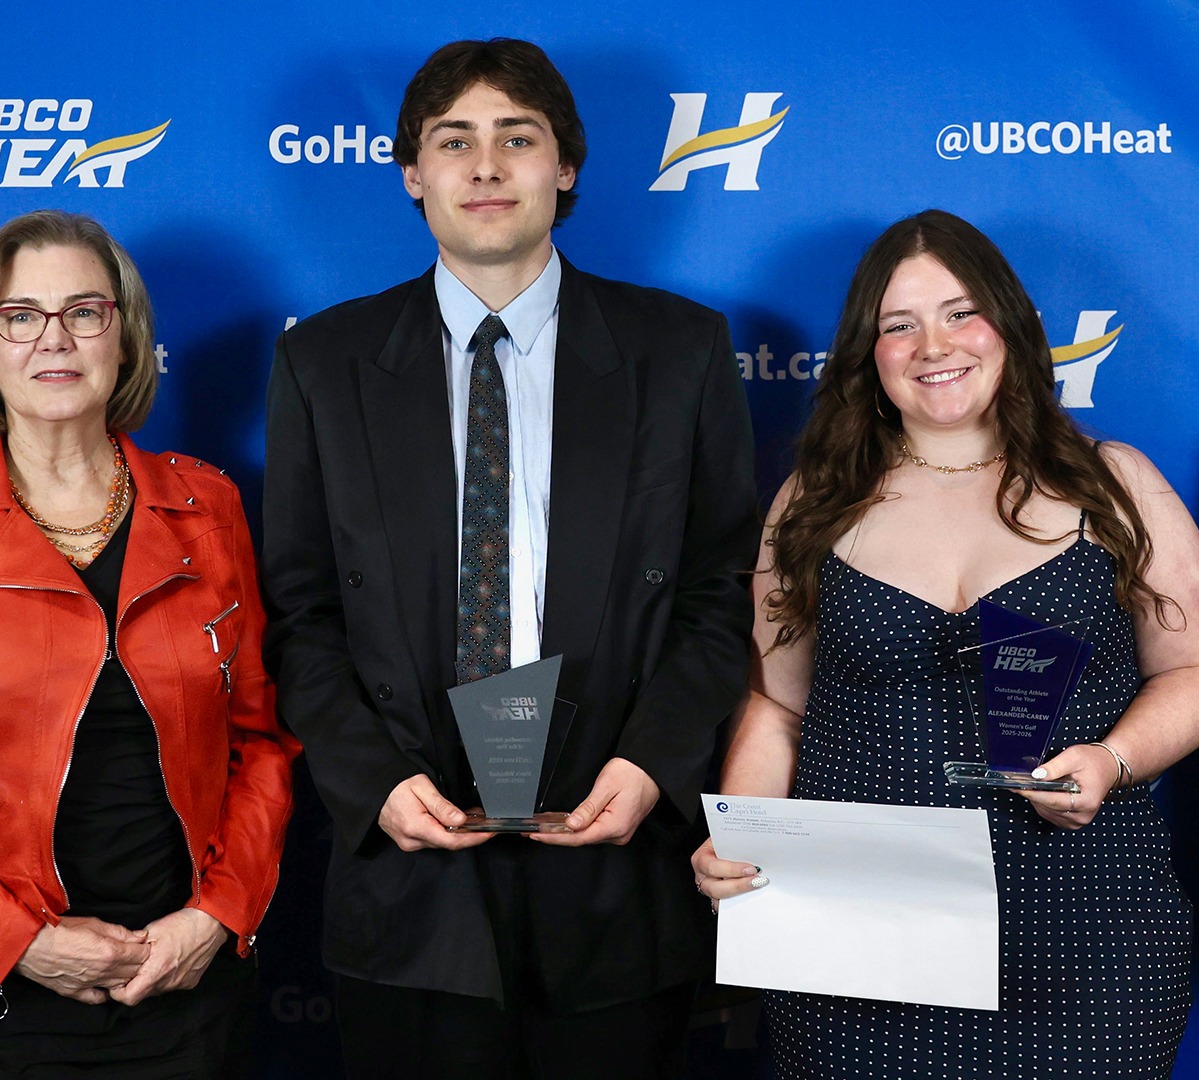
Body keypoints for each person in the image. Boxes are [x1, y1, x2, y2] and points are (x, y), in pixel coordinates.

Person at [260, 37, 757, 1079]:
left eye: (516, 138)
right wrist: (374, 781)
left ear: (564, 166)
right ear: (413, 173)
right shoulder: (324, 363)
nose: (485, 166)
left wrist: (651, 767)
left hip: (614, 859)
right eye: (455, 141)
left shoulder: (681, 352)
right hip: (408, 871)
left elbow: (722, 594)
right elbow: (299, 611)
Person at [691, 209, 1199, 1078]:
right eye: (897, 324)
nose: (931, 344)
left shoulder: (1114, 484)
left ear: (1009, 326)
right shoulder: (814, 500)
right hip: (859, 935)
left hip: (1085, 933)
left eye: (958, 312)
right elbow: (775, 701)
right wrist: (743, 832)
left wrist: (1115, 758)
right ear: (868, 355)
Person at [0, 210, 296, 1077]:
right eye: (21, 315)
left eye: (85, 311)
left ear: (126, 338)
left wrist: (216, 917)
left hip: (181, 978)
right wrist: (16, 942)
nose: (56, 338)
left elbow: (261, 745)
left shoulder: (210, 507)